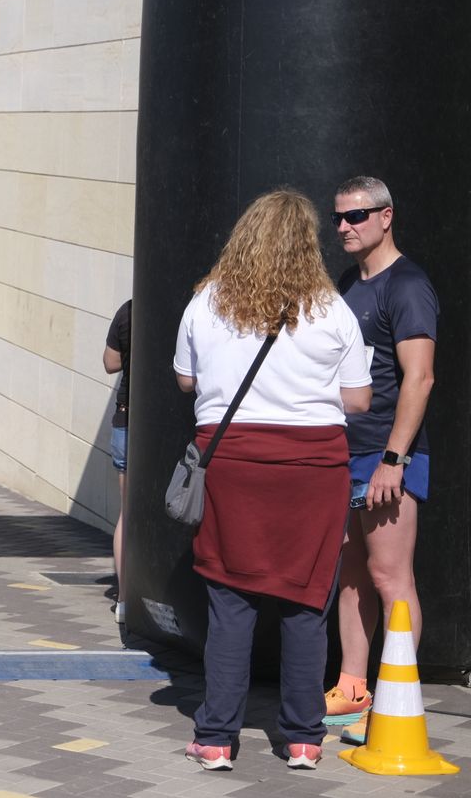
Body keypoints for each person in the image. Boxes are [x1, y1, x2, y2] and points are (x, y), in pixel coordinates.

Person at [173, 189, 370, 772]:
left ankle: (214, 739)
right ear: (306, 246)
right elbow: (358, 399)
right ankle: (304, 739)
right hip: (314, 472)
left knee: (230, 602)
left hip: (231, 464)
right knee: (307, 605)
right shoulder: (334, 310)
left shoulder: (205, 302)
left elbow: (186, 382)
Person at [324, 176, 438, 745]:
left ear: (386, 217)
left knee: (390, 576)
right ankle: (352, 695)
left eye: (357, 216)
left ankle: (396, 699)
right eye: (339, 217)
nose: (344, 226)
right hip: (344, 453)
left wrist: (393, 460)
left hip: (385, 454)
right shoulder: (350, 284)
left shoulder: (408, 286)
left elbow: (419, 377)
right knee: (349, 578)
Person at [102, 298, 131, 624]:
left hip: (126, 421)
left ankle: (123, 598)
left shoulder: (128, 311)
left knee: (128, 513)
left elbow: (110, 363)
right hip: (161, 425)